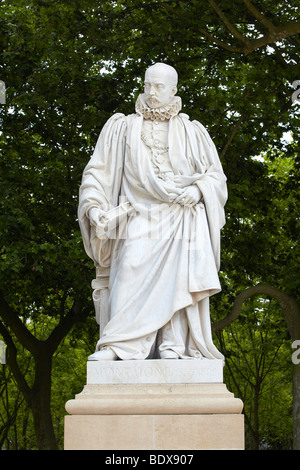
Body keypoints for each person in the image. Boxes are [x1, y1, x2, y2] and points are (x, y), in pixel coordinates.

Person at [78, 63, 227, 361]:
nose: (152, 92)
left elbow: (215, 178)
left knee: (180, 275)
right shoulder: (121, 127)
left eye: (159, 87)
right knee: (130, 268)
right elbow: (98, 172)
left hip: (181, 215)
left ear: (173, 90)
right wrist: (93, 207)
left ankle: (173, 345)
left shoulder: (193, 131)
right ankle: (119, 344)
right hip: (136, 214)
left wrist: (198, 191)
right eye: (148, 85)